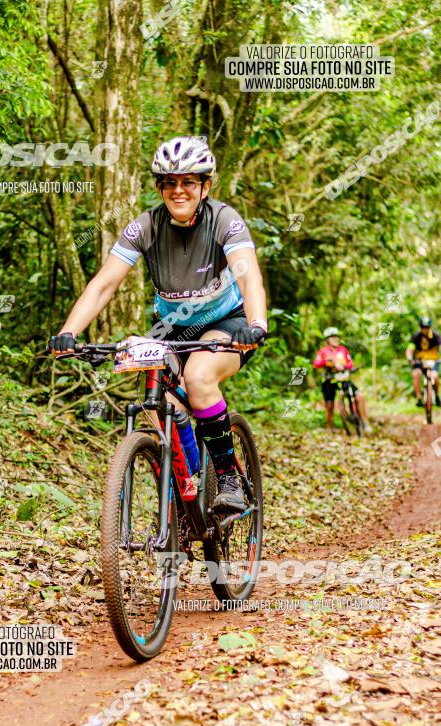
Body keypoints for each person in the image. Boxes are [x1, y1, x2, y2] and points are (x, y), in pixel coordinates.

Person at [49, 136, 268, 511]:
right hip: (172, 329)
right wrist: (70, 332)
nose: (178, 190)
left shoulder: (224, 221)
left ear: (205, 186)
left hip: (227, 322)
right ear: (159, 187)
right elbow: (104, 284)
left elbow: (248, 277)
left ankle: (228, 475)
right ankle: (191, 487)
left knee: (198, 377)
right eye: (169, 182)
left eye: (188, 182)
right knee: (157, 402)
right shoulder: (145, 227)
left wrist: (257, 324)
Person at [313, 327, 370, 432]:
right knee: (329, 405)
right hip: (329, 379)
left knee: (359, 397)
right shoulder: (323, 352)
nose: (336, 339)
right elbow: (316, 364)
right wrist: (328, 362)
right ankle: (330, 428)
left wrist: (343, 366)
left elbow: (350, 363)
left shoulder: (343, 350)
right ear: (327, 340)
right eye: (332, 337)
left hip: (343, 378)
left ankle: (365, 423)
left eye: (336, 337)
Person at [405, 316, 441, 407]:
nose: (425, 330)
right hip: (420, 361)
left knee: (435, 377)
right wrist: (410, 358)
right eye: (423, 327)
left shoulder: (435, 336)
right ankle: (419, 398)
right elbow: (410, 349)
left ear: (429, 327)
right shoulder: (416, 337)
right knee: (416, 374)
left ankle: (436, 396)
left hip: (433, 360)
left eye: (427, 328)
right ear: (420, 327)